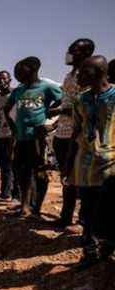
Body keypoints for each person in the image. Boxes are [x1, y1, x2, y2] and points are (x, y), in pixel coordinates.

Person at [71, 55, 115, 268]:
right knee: (87, 212)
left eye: (84, 71)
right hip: (86, 166)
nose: (79, 75)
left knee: (109, 211)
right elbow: (76, 131)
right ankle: (89, 252)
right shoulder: (81, 100)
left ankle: (107, 247)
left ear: (99, 72)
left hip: (111, 167)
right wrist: (68, 164)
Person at [4, 56, 63, 217]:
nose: (16, 74)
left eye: (20, 70)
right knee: (22, 172)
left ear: (32, 69)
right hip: (22, 138)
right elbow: (7, 109)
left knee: (39, 172)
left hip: (39, 140)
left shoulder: (47, 86)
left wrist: (51, 123)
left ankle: (36, 207)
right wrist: (14, 129)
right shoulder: (19, 90)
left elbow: (66, 104)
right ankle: (25, 205)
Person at [47, 39, 95, 228]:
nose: (69, 53)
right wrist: (56, 122)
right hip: (63, 132)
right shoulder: (69, 75)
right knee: (66, 176)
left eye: (74, 50)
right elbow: (66, 101)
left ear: (86, 53)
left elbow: (83, 107)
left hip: (79, 134)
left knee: (81, 176)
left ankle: (83, 218)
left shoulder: (89, 76)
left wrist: (59, 112)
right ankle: (66, 216)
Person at [0, 70, 16, 201]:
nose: (1, 81)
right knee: (4, 165)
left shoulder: (15, 95)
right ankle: (5, 193)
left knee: (14, 165)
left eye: (4, 79)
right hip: (1, 135)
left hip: (13, 135)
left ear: (9, 80)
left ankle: (15, 194)